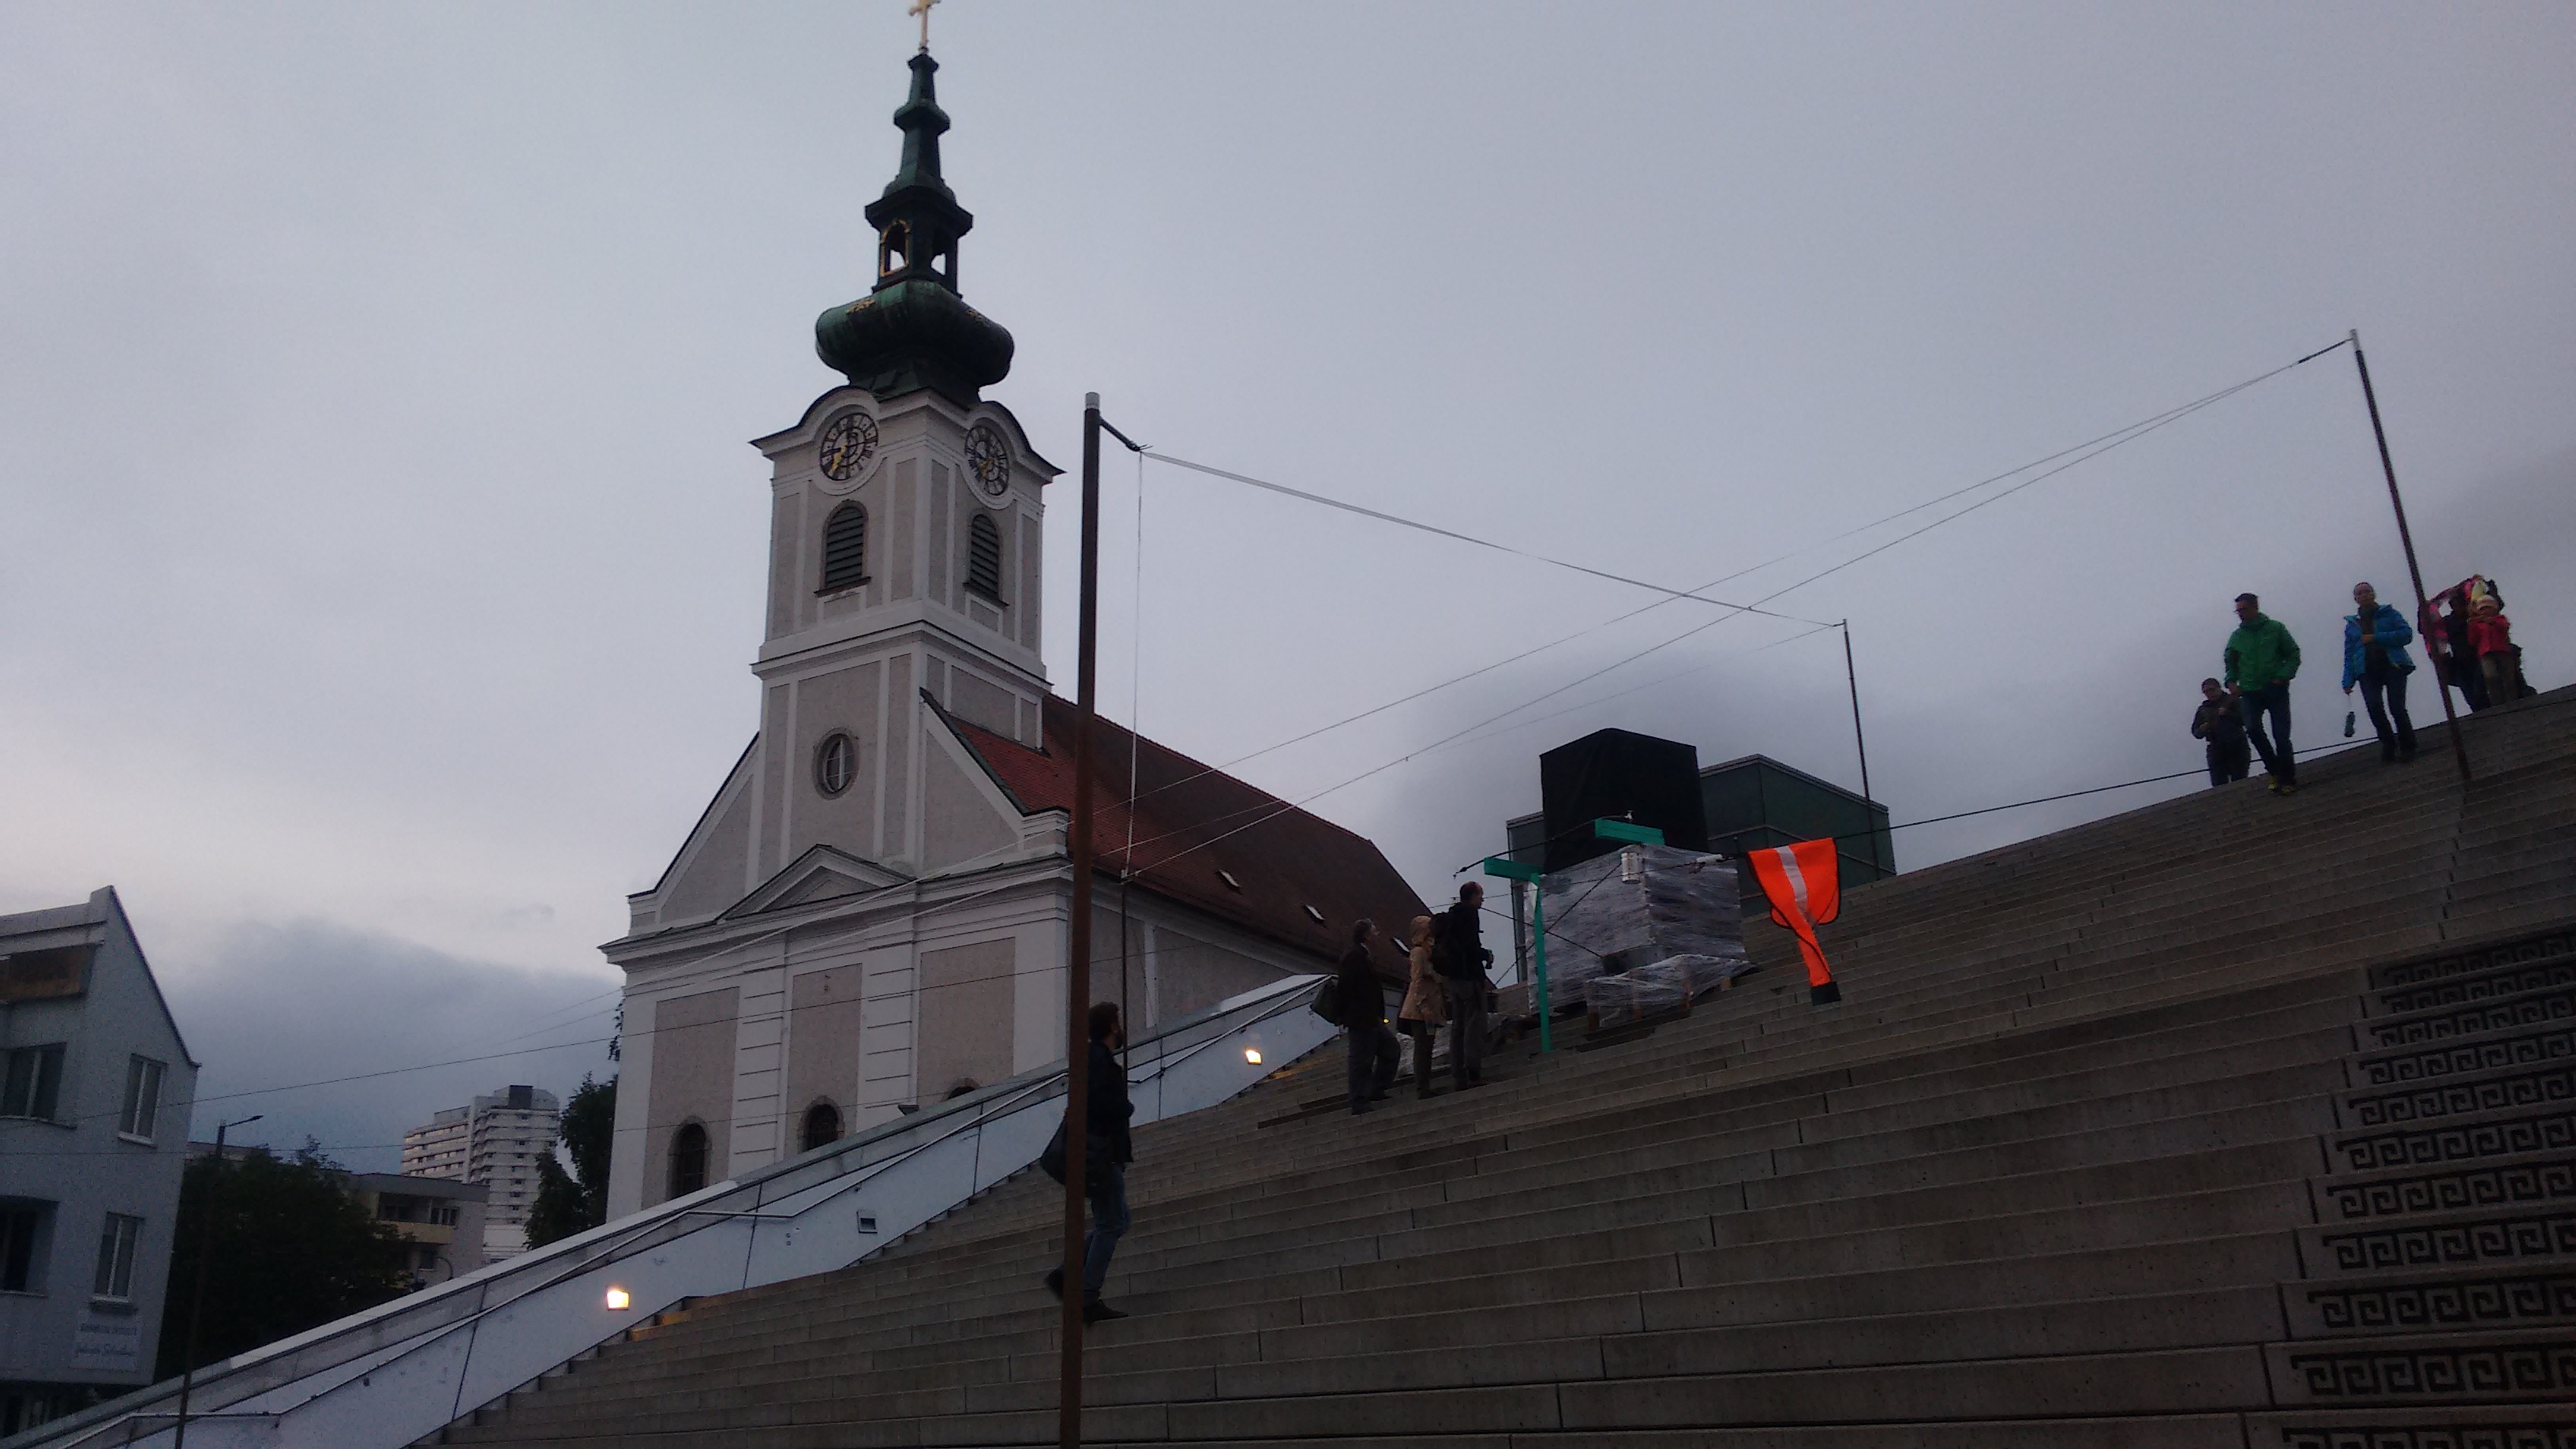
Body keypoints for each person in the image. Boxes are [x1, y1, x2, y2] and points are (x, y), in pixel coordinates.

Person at [1042, 1001, 1134, 1323]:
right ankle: (1085, 1296)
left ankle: (1067, 1274)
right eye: (1118, 1023)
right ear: (1111, 1027)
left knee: (1117, 1220)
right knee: (1112, 1223)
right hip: (1102, 1154)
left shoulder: (1093, 1060)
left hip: (1101, 1153)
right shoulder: (1099, 1061)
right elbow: (1101, 1105)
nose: (1121, 1029)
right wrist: (1125, 1108)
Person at [2223, 592, 2301, 794]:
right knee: (2252, 729)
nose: (2240, 614)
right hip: (2249, 691)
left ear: (2255, 608)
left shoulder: (2275, 628)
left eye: (2244, 609)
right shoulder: (2237, 637)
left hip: (2275, 688)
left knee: (2281, 735)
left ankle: (2288, 779)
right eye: (2237, 611)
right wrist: (2231, 681)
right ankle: (2274, 771)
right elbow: (2230, 663)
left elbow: (2293, 653)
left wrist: (2283, 676)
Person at [2341, 582, 2418, 764]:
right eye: (2360, 593)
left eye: (2367, 592)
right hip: (2366, 671)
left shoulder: (2390, 613)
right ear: (2355, 598)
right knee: (2374, 707)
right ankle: (2388, 744)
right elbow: (2349, 653)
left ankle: (2408, 745)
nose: (2364, 595)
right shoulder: (2352, 624)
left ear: (2374, 594)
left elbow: (2406, 634)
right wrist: (2347, 679)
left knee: (2397, 706)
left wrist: (2377, 638)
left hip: (2393, 665)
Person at [1435, 882, 1495, 1089]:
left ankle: (1459, 1074)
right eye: (1481, 895)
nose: (1482, 900)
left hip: (1454, 980)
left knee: (1458, 1027)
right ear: (1472, 896)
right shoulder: (1470, 914)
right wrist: (1486, 955)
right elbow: (1471, 946)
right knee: (1474, 1025)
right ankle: (1474, 1073)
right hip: (1470, 978)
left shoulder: (1451, 916)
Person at [1339, 920, 1398, 1114]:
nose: (1378, 934)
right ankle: (1359, 1099)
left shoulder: (1361, 955)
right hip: (1361, 1017)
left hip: (1370, 1016)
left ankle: (1374, 1089)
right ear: (1366, 935)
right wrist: (1343, 1013)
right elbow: (1345, 987)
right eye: (1374, 931)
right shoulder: (1354, 956)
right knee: (1361, 1060)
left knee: (1390, 1049)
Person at [1396, 915, 1447, 1099]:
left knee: (1428, 1046)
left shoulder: (1428, 950)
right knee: (1423, 1047)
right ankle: (1422, 1088)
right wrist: (1423, 1005)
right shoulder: (1418, 952)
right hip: (1420, 1010)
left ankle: (1425, 1085)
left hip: (1430, 1008)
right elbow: (1416, 981)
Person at [2192, 678, 2250, 787]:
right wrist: (2203, 729)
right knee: (2219, 785)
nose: (2209, 694)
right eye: (2206, 692)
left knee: (2240, 782)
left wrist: (2227, 713)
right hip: (2216, 748)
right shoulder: (2203, 709)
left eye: (2211, 690)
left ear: (2219, 688)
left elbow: (2246, 720)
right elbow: (2196, 732)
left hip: (2237, 746)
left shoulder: (2233, 701)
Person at [2469, 591, 2517, 711]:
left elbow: (2505, 627)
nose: (2485, 611)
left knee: (2507, 677)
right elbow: (2472, 641)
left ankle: (2513, 701)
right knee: (2491, 677)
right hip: (2485, 653)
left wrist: (2492, 621)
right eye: (2482, 609)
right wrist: (2472, 626)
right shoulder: (2477, 623)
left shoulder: (2500, 619)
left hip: (2502, 650)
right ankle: (2497, 704)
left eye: (2488, 608)